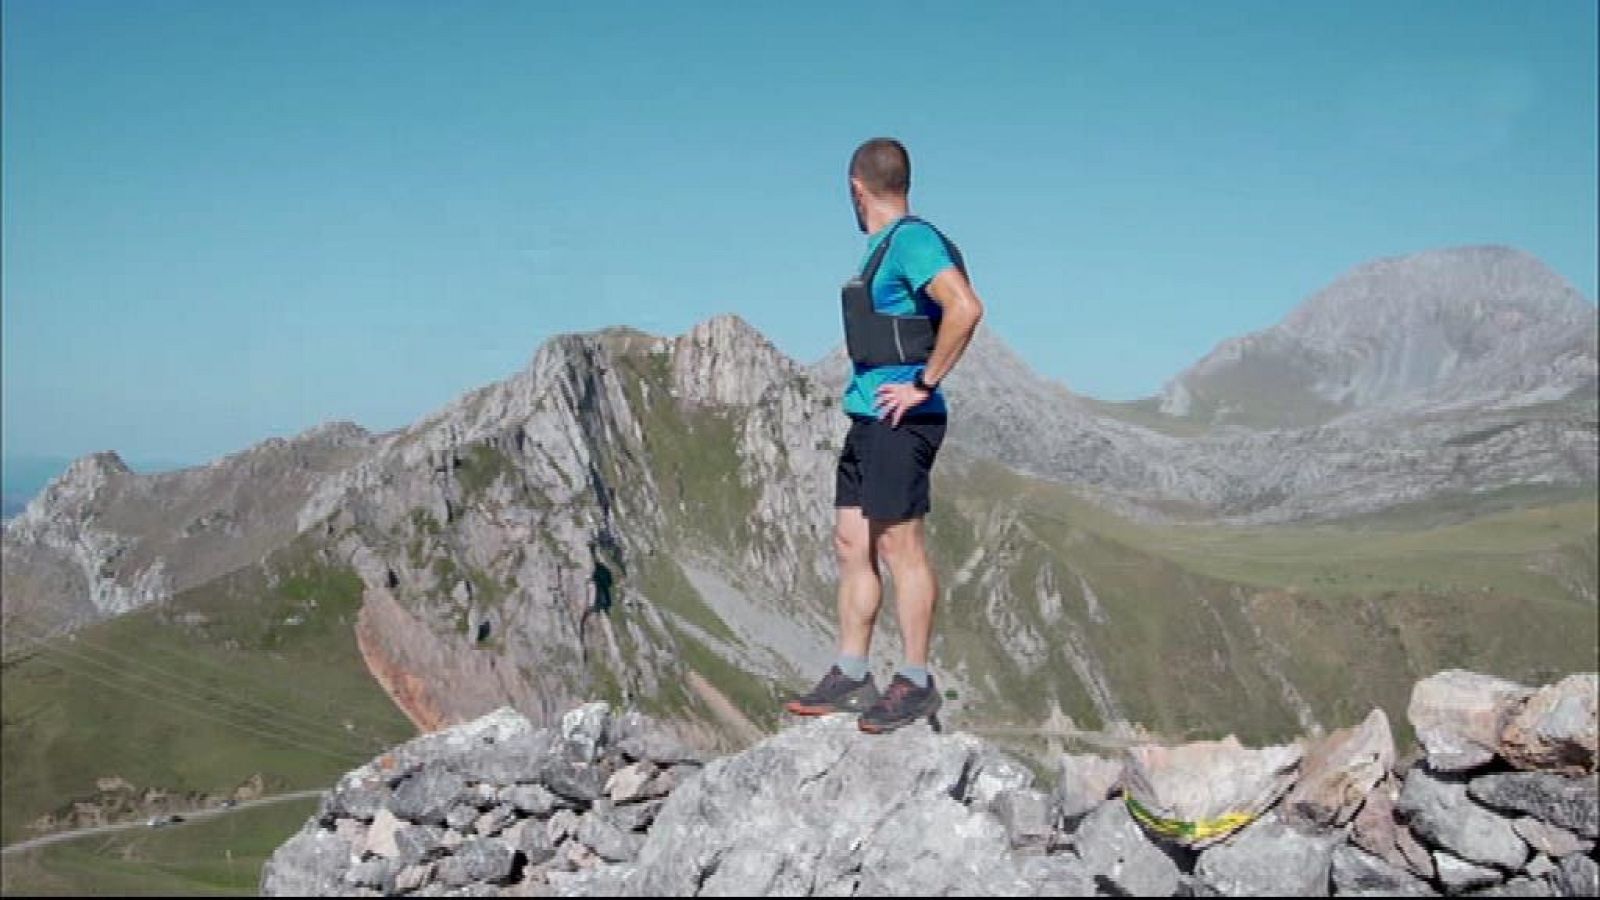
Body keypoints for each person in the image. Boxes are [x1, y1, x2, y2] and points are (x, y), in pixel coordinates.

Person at [785, 137, 985, 734]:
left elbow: (965, 308)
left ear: (855, 187)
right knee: (852, 541)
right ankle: (852, 671)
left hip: (903, 416)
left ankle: (917, 680)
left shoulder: (913, 240)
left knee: (902, 548)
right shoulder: (882, 249)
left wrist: (923, 383)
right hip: (869, 414)